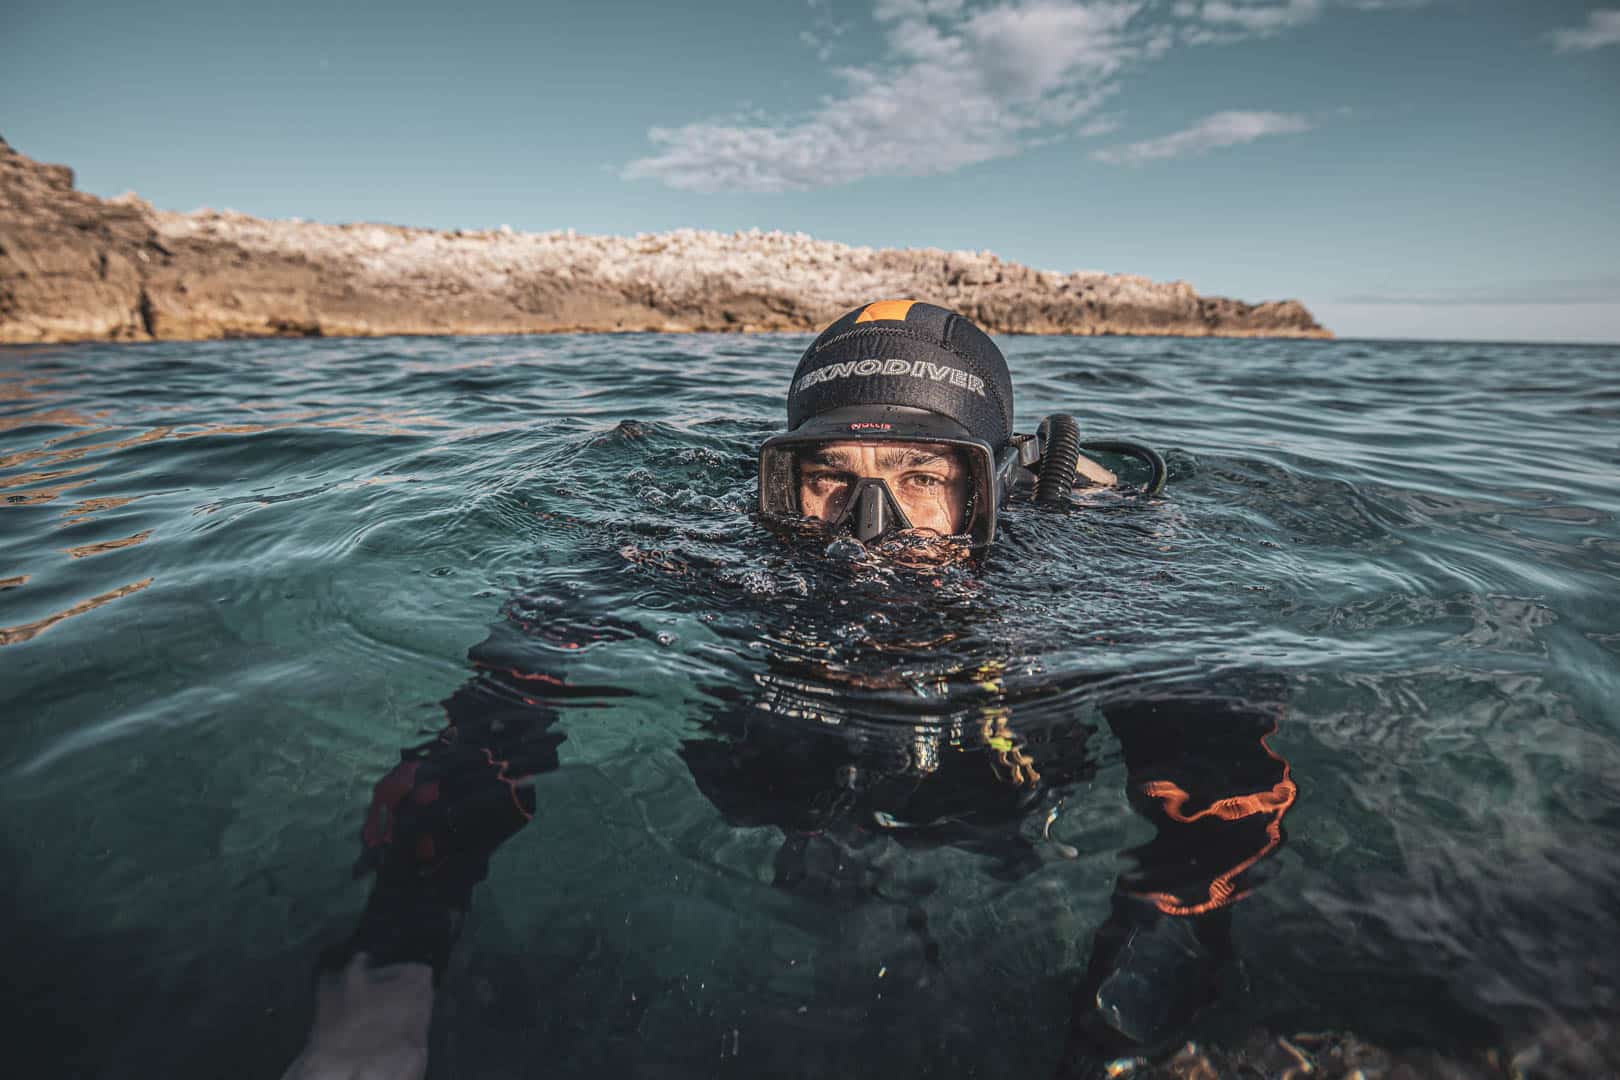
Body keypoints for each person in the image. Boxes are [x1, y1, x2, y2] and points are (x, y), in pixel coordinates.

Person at [281, 301, 1292, 1080]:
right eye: (826, 476)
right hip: (776, 781)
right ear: (778, 479)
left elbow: (1218, 755)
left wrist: (1139, 984)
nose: (868, 528)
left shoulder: (1084, 571)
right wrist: (391, 959)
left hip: (998, 794)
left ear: (998, 489)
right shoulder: (709, 546)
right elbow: (509, 694)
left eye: (923, 474)